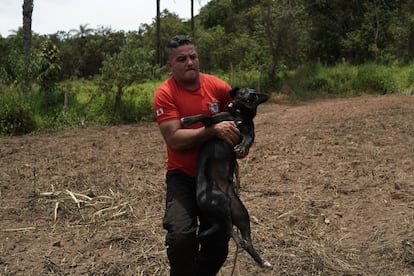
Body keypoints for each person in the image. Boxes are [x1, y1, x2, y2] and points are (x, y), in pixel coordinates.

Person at [153, 35, 241, 276]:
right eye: (182, 59)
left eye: (193, 57)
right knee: (181, 237)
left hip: (216, 177)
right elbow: (174, 139)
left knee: (218, 243)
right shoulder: (165, 93)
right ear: (170, 65)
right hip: (183, 176)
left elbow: (238, 118)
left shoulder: (218, 87)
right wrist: (212, 130)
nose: (190, 62)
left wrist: (239, 142)